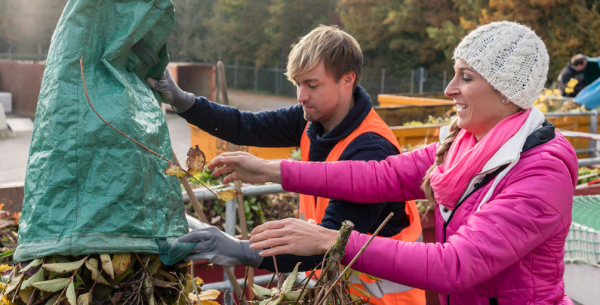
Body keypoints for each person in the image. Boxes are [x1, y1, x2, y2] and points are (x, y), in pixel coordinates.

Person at [208, 22, 577, 305]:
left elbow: (456, 265)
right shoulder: (466, 145)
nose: (449, 89)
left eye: (465, 77)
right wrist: (271, 170)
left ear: (506, 91)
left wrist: (329, 240)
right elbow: (380, 176)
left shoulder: (540, 171)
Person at [147, 25, 426, 304]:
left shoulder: (371, 149)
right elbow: (246, 126)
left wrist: (239, 249)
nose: (301, 96)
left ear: (347, 80)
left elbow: (328, 243)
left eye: (312, 85)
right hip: (330, 292)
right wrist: (182, 100)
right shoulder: (311, 119)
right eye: (297, 84)